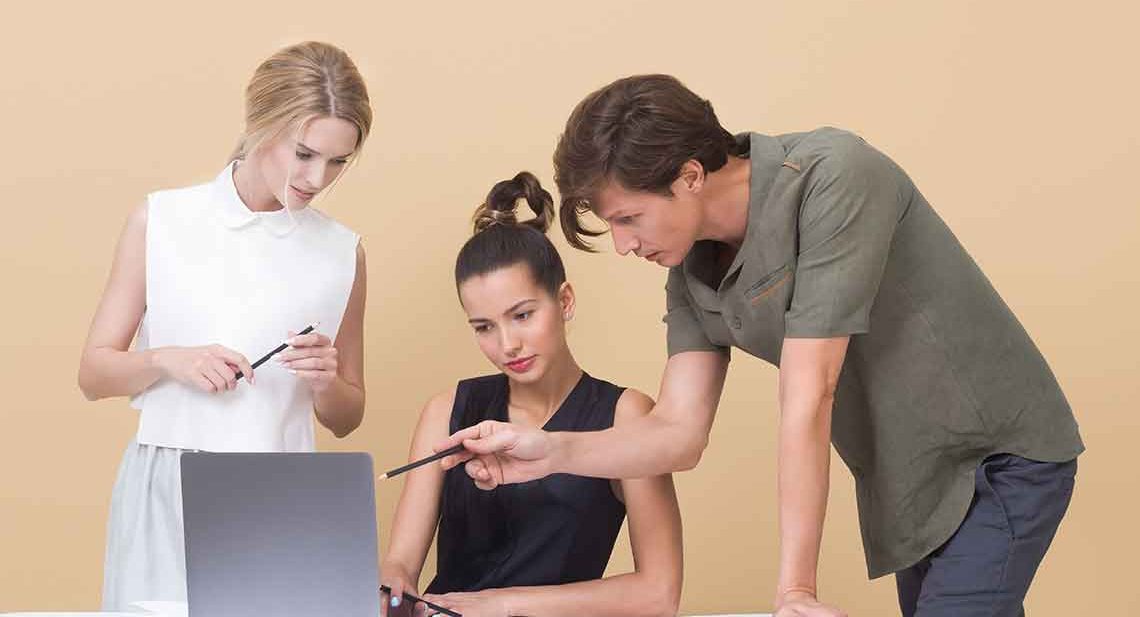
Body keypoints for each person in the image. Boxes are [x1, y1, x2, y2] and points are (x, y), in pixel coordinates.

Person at [438, 75, 1083, 616]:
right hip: (905, 483)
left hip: (993, 459)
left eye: (628, 218)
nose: (625, 245)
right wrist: (544, 450)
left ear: (689, 176)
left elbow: (811, 391)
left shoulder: (835, 177)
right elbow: (677, 434)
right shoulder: (689, 264)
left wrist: (795, 591)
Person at [77, 41, 372, 610]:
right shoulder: (162, 219)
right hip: (167, 484)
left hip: (283, 495)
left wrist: (324, 380)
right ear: (262, 125)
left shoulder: (343, 253)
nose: (319, 178)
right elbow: (93, 374)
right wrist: (168, 359)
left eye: (338, 161)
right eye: (305, 153)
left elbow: (347, 417)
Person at [380, 172, 682, 617]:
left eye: (522, 315)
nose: (507, 345)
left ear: (564, 302)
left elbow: (659, 594)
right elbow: (400, 563)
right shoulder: (447, 411)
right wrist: (391, 589)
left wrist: (502, 605)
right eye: (484, 327)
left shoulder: (626, 416)